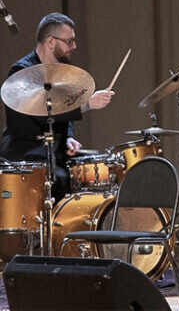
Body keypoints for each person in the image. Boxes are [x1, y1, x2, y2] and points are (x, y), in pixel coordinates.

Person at [0, 12, 114, 200]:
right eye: (69, 42)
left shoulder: (60, 73)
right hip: (26, 156)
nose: (74, 46)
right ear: (50, 41)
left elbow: (64, 107)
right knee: (60, 179)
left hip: (53, 154)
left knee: (95, 173)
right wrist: (87, 104)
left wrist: (69, 137)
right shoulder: (22, 71)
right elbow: (41, 111)